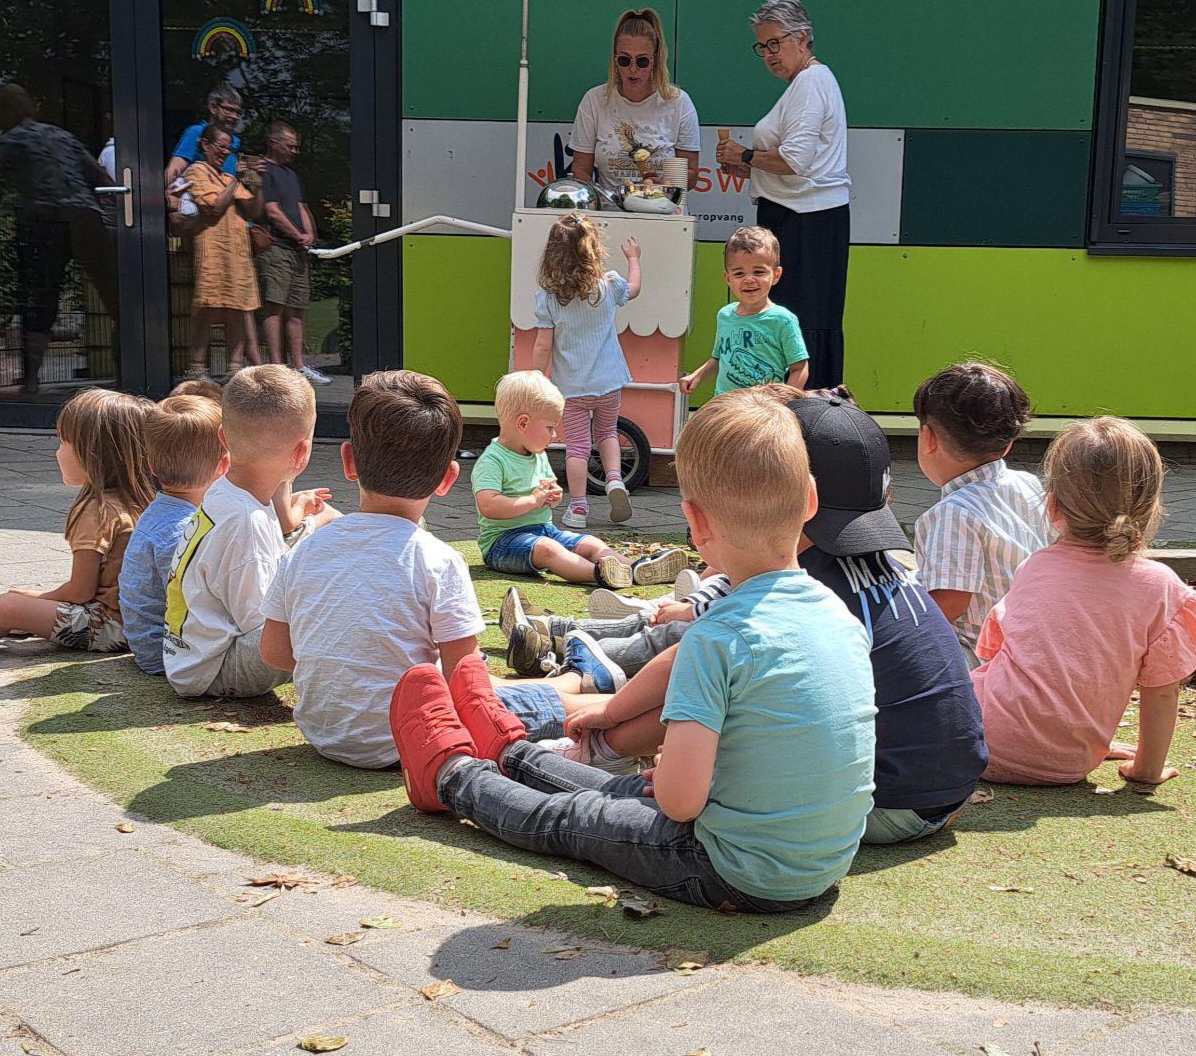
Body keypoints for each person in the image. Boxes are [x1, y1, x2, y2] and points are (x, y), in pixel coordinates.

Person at [388, 388, 877, 912]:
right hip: (822, 863)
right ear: (810, 499)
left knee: (579, 817)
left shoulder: (715, 638)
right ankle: (511, 752)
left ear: (696, 522)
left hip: (730, 869)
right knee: (616, 794)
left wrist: (674, 781)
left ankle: (452, 777)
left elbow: (679, 803)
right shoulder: (841, 615)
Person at [533, 387, 988, 843]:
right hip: (943, 795)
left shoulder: (806, 589)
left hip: (885, 802)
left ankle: (584, 742)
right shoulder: (870, 567)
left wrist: (611, 725)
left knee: (718, 696)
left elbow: (686, 672)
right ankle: (578, 724)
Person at [258, 371, 609, 768]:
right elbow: (464, 679)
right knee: (509, 701)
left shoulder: (304, 549)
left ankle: (573, 680)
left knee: (490, 689)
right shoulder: (438, 559)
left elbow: (275, 652)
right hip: (420, 739)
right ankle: (607, 701)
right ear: (447, 479)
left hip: (325, 734)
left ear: (349, 461)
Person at [973, 417, 1196, 787]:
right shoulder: (1160, 586)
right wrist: (1146, 771)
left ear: (1052, 505)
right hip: (1067, 763)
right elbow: (1162, 690)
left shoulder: (1035, 565)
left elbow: (996, 652)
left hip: (973, 743)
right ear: (1151, 507)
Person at [0, 390, 155, 650]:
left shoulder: (99, 511)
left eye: (63, 442)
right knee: (20, 603)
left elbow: (80, 592)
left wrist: (41, 597)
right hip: (146, 625)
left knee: (7, 606)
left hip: (108, 628)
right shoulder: (147, 502)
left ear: (92, 453)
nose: (57, 452)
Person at [162, 366, 334, 700]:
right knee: (334, 608)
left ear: (223, 437)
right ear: (301, 453)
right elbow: (261, 623)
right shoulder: (246, 523)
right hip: (217, 666)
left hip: (198, 654)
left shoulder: (229, 492)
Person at [0, 84, 118, 396]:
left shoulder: (14, 138)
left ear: (5, 111)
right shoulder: (62, 136)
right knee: (114, 295)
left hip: (43, 220)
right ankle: (134, 368)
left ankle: (31, 380)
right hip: (85, 217)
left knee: (40, 297)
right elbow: (101, 176)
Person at [715, 0, 849, 389]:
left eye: (776, 43)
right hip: (797, 213)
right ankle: (796, 407)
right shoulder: (804, 84)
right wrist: (746, 165)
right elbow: (797, 165)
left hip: (806, 220)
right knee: (790, 322)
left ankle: (805, 408)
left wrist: (745, 154)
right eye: (762, 47)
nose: (769, 54)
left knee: (799, 323)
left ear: (802, 38)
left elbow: (795, 161)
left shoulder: (811, 82)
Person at [473, 371, 684, 590]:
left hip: (544, 531)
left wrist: (553, 496)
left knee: (591, 543)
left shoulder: (538, 455)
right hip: (503, 543)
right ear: (523, 423)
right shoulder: (492, 460)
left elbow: (550, 495)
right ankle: (600, 574)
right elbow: (489, 506)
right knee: (549, 550)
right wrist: (534, 500)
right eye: (550, 428)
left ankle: (637, 568)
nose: (554, 435)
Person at [912, 362, 1054, 658]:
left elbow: (949, 601)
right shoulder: (1027, 484)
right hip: (1031, 642)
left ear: (928, 438)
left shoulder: (953, 513)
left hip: (979, 658)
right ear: (1008, 445)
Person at [531, 214, 642, 530]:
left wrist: (536, 378)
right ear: (593, 250)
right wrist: (634, 259)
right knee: (607, 432)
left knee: (578, 447)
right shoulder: (608, 285)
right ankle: (615, 480)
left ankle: (578, 508)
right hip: (609, 380)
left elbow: (543, 345)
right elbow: (634, 289)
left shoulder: (550, 299)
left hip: (572, 387)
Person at [119, 394, 228, 677]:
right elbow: (195, 601)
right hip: (168, 653)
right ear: (224, 466)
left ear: (151, 466)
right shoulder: (182, 530)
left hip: (152, 646)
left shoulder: (161, 512)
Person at [569, 9, 700, 193]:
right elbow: (581, 171)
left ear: (655, 60)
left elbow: (692, 174)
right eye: (624, 60)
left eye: (642, 61)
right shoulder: (594, 100)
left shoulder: (679, 102)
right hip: (611, 206)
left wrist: (664, 184)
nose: (633, 69)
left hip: (664, 206)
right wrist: (603, 199)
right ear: (615, 60)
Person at [679, 226, 808, 397]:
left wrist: (784, 402)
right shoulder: (725, 315)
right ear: (728, 278)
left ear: (776, 275)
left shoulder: (783, 320)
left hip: (762, 406)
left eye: (759, 272)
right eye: (739, 273)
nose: (749, 280)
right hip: (725, 404)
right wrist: (697, 375)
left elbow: (799, 367)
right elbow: (719, 358)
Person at [182, 123, 262, 382]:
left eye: (229, 149)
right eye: (221, 147)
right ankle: (197, 368)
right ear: (205, 145)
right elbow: (213, 207)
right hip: (212, 251)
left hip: (237, 253)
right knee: (206, 308)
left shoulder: (227, 178)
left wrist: (258, 183)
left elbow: (253, 211)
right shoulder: (197, 171)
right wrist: (236, 181)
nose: (225, 153)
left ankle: (235, 368)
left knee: (237, 309)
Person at [255, 120, 329, 387]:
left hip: (298, 251)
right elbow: (272, 210)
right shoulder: (265, 171)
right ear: (273, 143)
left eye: (297, 146)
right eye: (290, 146)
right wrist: (298, 235)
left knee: (297, 309)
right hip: (276, 249)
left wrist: (309, 234)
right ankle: (276, 367)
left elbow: (300, 207)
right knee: (274, 307)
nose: (295, 151)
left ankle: (299, 366)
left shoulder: (291, 175)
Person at [164, 83, 243, 190]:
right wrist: (171, 194)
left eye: (238, 112)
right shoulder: (197, 132)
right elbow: (174, 171)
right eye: (229, 110)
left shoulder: (236, 142)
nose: (234, 116)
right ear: (213, 108)